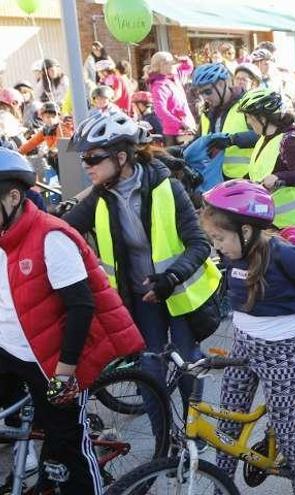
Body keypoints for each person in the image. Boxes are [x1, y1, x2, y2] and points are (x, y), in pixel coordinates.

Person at [62, 111, 221, 432]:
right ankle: (164, 442)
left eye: (93, 158)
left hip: (179, 292)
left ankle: (194, 431)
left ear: (121, 157)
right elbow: (60, 229)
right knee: (149, 370)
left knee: (187, 361)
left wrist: (172, 277)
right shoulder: (100, 196)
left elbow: (200, 243)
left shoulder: (167, 187)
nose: (86, 166)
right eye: (84, 159)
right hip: (140, 298)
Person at [0, 148, 145, 495]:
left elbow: (82, 307)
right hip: (11, 352)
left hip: (51, 360)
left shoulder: (50, 237)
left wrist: (64, 374)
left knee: (67, 447)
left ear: (14, 196)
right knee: (31, 428)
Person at [200, 180, 295, 495]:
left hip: (280, 352)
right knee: (228, 425)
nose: (218, 246)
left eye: (220, 238)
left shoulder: (284, 255)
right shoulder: (234, 252)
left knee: (284, 427)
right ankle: (221, 489)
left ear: (247, 231)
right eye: (213, 239)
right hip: (242, 346)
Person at [236, 89, 295, 233]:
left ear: (265, 117)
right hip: (273, 220)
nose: (249, 122)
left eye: (250, 117)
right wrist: (238, 183)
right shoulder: (263, 139)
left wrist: (278, 178)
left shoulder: (290, 141)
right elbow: (258, 172)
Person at [190, 62, 258, 180]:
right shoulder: (207, 112)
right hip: (216, 177)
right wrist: (179, 151)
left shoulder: (247, 104)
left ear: (222, 84)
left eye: (207, 91)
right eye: (200, 93)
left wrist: (232, 139)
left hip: (246, 178)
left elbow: (263, 135)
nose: (204, 97)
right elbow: (198, 140)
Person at [148, 51, 197, 146]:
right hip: (175, 133)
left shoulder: (174, 77)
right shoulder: (159, 86)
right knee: (180, 159)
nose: (171, 64)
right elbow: (160, 111)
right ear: (158, 67)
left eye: (171, 61)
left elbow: (188, 68)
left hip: (187, 128)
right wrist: (180, 124)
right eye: (166, 62)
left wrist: (185, 60)